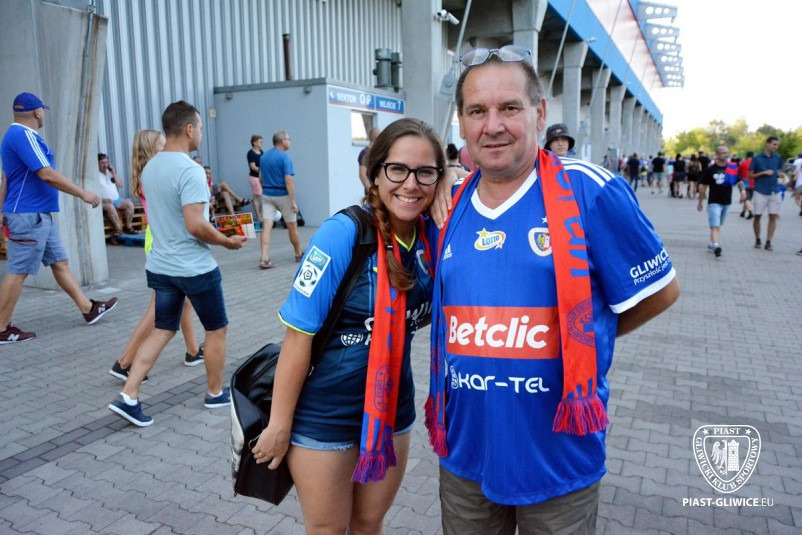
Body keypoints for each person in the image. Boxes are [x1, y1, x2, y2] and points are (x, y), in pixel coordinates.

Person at [425, 45, 679, 534]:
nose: (492, 125)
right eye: (477, 111)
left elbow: (661, 293)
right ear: (461, 121)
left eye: (509, 107)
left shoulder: (590, 190)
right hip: (464, 455)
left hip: (558, 460)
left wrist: (583, 333)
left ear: (539, 113)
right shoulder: (448, 203)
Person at [251, 118, 441, 533]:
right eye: (398, 169)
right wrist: (279, 424)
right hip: (324, 416)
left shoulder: (433, 238)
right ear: (375, 173)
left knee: (369, 523)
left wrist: (451, 187)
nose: (411, 184)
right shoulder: (342, 234)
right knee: (329, 529)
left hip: (393, 408)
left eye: (425, 172)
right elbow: (297, 338)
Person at [107, 101, 246, 427]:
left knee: (163, 328)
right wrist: (227, 241)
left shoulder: (151, 168)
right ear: (189, 129)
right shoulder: (190, 170)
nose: (201, 135)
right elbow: (195, 224)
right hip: (194, 267)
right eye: (200, 128)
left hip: (160, 265)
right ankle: (215, 393)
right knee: (217, 329)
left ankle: (128, 395)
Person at [0, 92, 118, 344]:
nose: (43, 114)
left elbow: (6, 178)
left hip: (37, 215)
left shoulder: (16, 136)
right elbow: (47, 174)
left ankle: (88, 308)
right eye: (43, 111)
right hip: (28, 216)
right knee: (18, 271)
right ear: (37, 112)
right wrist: (83, 193)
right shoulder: (24, 135)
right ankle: (1, 328)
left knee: (59, 262)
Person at [108, 130, 203, 384]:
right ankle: (125, 362)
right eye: (163, 144)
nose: (168, 147)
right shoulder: (156, 174)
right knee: (159, 308)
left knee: (183, 300)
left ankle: (193, 351)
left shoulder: (150, 172)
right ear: (152, 149)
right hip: (163, 240)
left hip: (161, 237)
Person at [258, 130, 304, 269]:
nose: (290, 141)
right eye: (288, 139)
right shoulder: (285, 157)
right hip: (283, 195)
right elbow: (289, 180)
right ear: (282, 141)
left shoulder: (264, 156)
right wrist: (293, 201)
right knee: (292, 226)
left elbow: (260, 178)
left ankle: (264, 258)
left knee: (267, 226)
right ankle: (298, 254)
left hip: (267, 194)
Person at [697, 146, 746, 258]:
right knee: (715, 224)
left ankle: (712, 244)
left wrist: (743, 192)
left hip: (726, 202)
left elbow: (739, 182)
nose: (726, 155)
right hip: (714, 201)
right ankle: (716, 245)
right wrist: (700, 201)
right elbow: (703, 187)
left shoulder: (732, 168)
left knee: (718, 225)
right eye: (723, 153)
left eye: (727, 152)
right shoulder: (710, 170)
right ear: (717, 155)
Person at [749, 136, 787, 251]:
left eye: (777, 145)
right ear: (767, 144)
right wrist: (763, 173)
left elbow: (778, 171)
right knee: (757, 216)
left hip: (775, 191)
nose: (776, 147)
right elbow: (749, 176)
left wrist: (780, 174)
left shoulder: (778, 157)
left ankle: (768, 242)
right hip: (760, 191)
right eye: (774, 144)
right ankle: (757, 239)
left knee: (773, 217)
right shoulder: (757, 158)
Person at [97, 153, 137, 238]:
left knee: (129, 204)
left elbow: (120, 185)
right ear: (97, 164)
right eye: (102, 163)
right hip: (104, 202)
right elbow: (92, 191)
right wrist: (103, 200)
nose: (105, 165)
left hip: (116, 199)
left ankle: (128, 227)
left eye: (106, 162)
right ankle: (117, 229)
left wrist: (114, 173)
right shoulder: (95, 175)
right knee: (110, 207)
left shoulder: (110, 173)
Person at [357, 126, 382, 193]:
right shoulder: (365, 153)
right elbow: (362, 175)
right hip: (374, 193)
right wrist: (372, 192)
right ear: (377, 137)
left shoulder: (377, 152)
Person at [247, 134, 264, 222]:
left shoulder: (262, 152)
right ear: (254, 143)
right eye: (260, 142)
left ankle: (260, 214)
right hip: (254, 177)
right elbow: (253, 166)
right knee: (257, 195)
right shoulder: (251, 153)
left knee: (264, 196)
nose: (261, 144)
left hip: (261, 177)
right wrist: (261, 170)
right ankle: (258, 216)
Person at [738, 151, 754, 219]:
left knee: (746, 199)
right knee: (748, 199)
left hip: (744, 182)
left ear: (746, 156)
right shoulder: (755, 164)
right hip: (753, 183)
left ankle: (750, 212)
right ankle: (743, 212)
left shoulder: (743, 163)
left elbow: (738, 173)